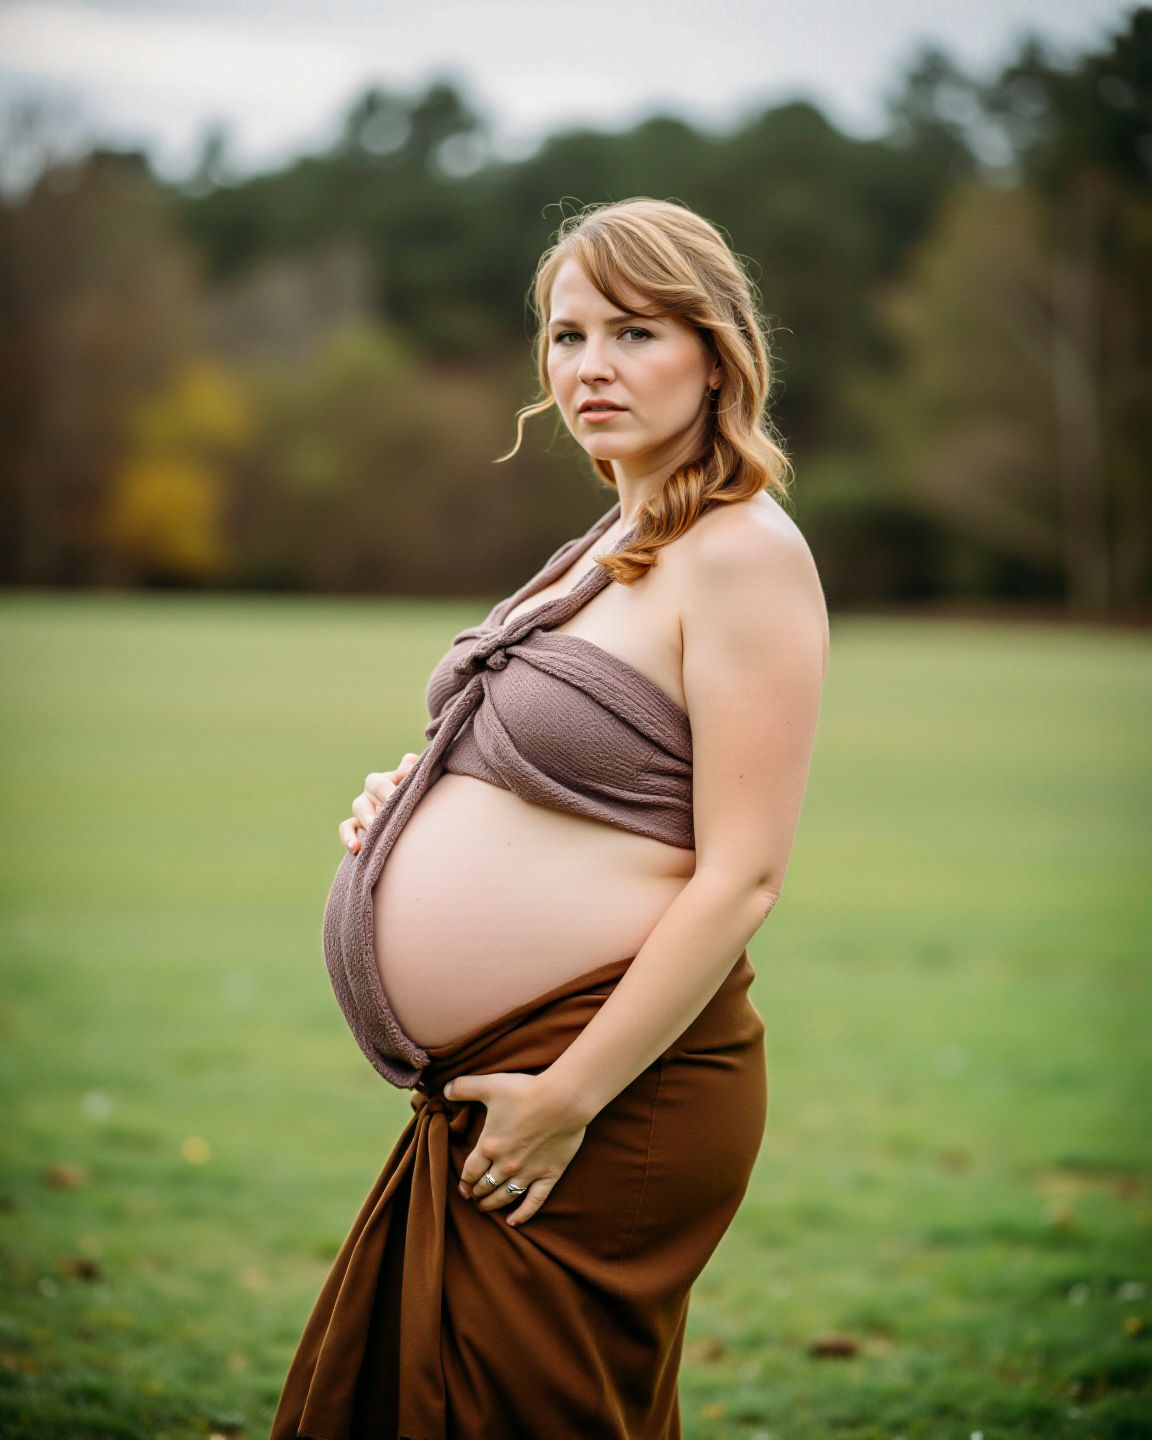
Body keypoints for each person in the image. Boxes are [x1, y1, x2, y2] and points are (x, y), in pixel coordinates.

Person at [269, 196, 828, 1440]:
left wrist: (570, 1095)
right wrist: (414, 799)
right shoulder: (614, 539)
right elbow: (572, 774)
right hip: (511, 1082)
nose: (592, 368)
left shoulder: (743, 552)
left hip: (612, 1085)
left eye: (636, 333)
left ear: (718, 352)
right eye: (568, 336)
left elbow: (741, 876)